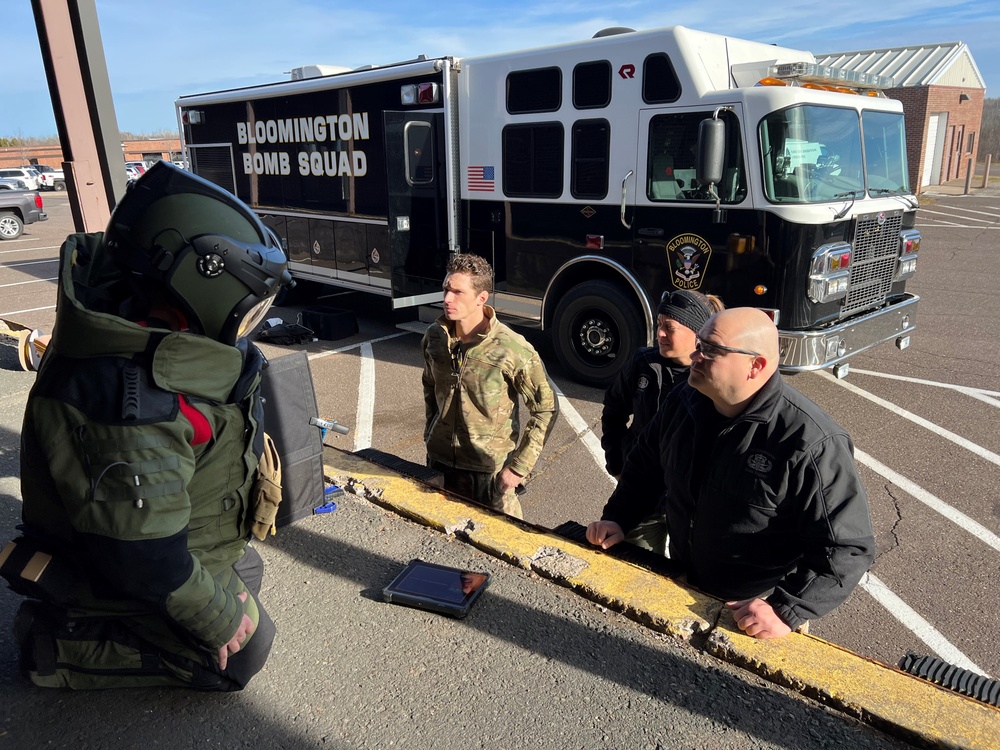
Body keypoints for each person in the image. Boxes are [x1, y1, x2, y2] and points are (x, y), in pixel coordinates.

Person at [5, 161, 291, 689]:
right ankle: (59, 644)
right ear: (199, 281)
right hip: (118, 553)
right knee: (245, 654)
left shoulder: (139, 327)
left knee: (246, 572)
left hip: (145, 530)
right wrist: (216, 618)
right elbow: (140, 551)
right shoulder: (131, 401)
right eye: (249, 305)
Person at [586, 308, 875, 639]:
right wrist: (618, 518)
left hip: (752, 612)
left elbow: (847, 547)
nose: (694, 355)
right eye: (699, 343)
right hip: (682, 582)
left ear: (756, 366)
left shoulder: (810, 442)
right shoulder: (684, 400)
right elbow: (645, 466)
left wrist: (787, 609)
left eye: (709, 349)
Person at [422, 254, 557, 519]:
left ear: (481, 298)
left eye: (458, 292)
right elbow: (429, 387)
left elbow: (546, 408)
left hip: (489, 476)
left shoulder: (512, 348)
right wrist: (431, 434)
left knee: (501, 552)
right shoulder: (434, 338)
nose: (448, 299)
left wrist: (519, 467)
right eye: (446, 289)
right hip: (439, 467)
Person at [600, 289, 722, 552]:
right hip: (644, 496)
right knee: (637, 570)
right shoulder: (643, 363)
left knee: (684, 579)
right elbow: (613, 411)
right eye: (659, 325)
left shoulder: (711, 376)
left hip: (690, 506)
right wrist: (618, 464)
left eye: (670, 327)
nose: (661, 334)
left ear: (697, 332)